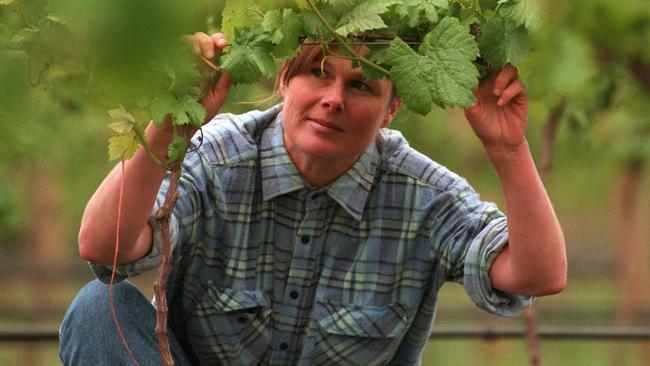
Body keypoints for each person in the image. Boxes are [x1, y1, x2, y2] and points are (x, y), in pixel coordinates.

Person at [59, 32, 566, 365]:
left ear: (391, 110)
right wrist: (169, 124)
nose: (334, 98)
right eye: (318, 73)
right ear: (284, 79)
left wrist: (508, 147)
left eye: (361, 86)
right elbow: (104, 247)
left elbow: (538, 274)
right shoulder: (218, 155)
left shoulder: (423, 195)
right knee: (96, 310)